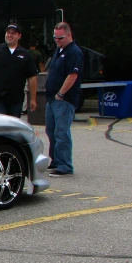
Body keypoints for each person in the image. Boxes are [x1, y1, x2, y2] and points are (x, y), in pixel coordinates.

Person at [44, 22, 83, 177]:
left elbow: (73, 75)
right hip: (52, 99)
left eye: (60, 38)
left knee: (61, 132)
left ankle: (65, 165)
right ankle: (55, 160)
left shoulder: (74, 52)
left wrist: (61, 93)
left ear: (68, 35)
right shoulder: (59, 51)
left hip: (64, 99)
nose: (57, 41)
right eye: (55, 38)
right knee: (51, 130)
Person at [0, 23, 39, 117]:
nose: (9, 35)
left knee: (13, 127)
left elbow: (32, 77)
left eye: (13, 33)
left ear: (19, 36)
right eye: (8, 33)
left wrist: (33, 99)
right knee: (0, 125)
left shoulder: (26, 55)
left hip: (16, 100)